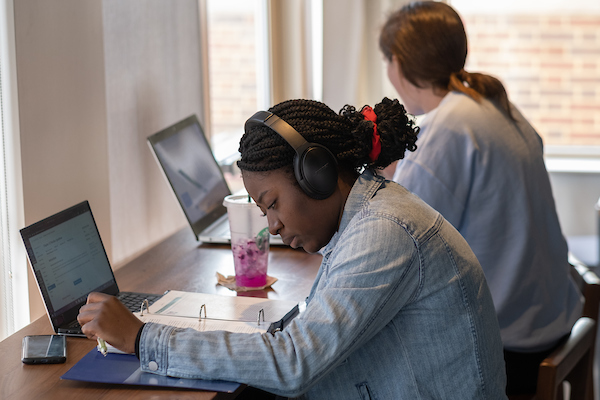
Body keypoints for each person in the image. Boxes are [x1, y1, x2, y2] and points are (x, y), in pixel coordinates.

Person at [78, 97, 507, 399]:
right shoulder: (369, 215)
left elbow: (294, 364)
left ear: (316, 174)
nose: (273, 225)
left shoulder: (384, 232)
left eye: (272, 204)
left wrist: (142, 337)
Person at [378, 1, 583, 396]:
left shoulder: (448, 128)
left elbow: (400, 242)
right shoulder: (490, 104)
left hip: (510, 339)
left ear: (398, 64)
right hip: (549, 312)